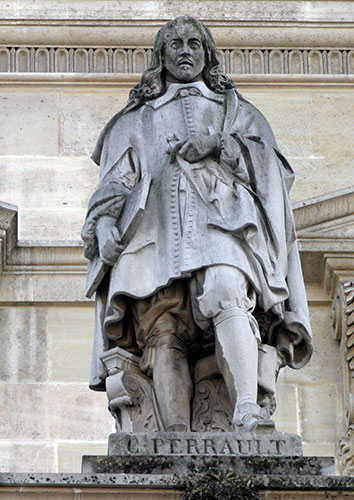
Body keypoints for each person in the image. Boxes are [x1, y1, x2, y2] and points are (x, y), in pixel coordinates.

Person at [81, 16, 312, 432]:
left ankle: (245, 407)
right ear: (161, 56)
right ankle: (172, 434)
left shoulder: (239, 113)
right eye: (175, 44)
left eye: (194, 43)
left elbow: (276, 176)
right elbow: (114, 184)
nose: (185, 51)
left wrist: (222, 145)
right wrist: (102, 226)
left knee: (227, 289)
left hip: (224, 225)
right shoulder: (133, 121)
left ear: (208, 54)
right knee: (162, 329)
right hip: (152, 236)